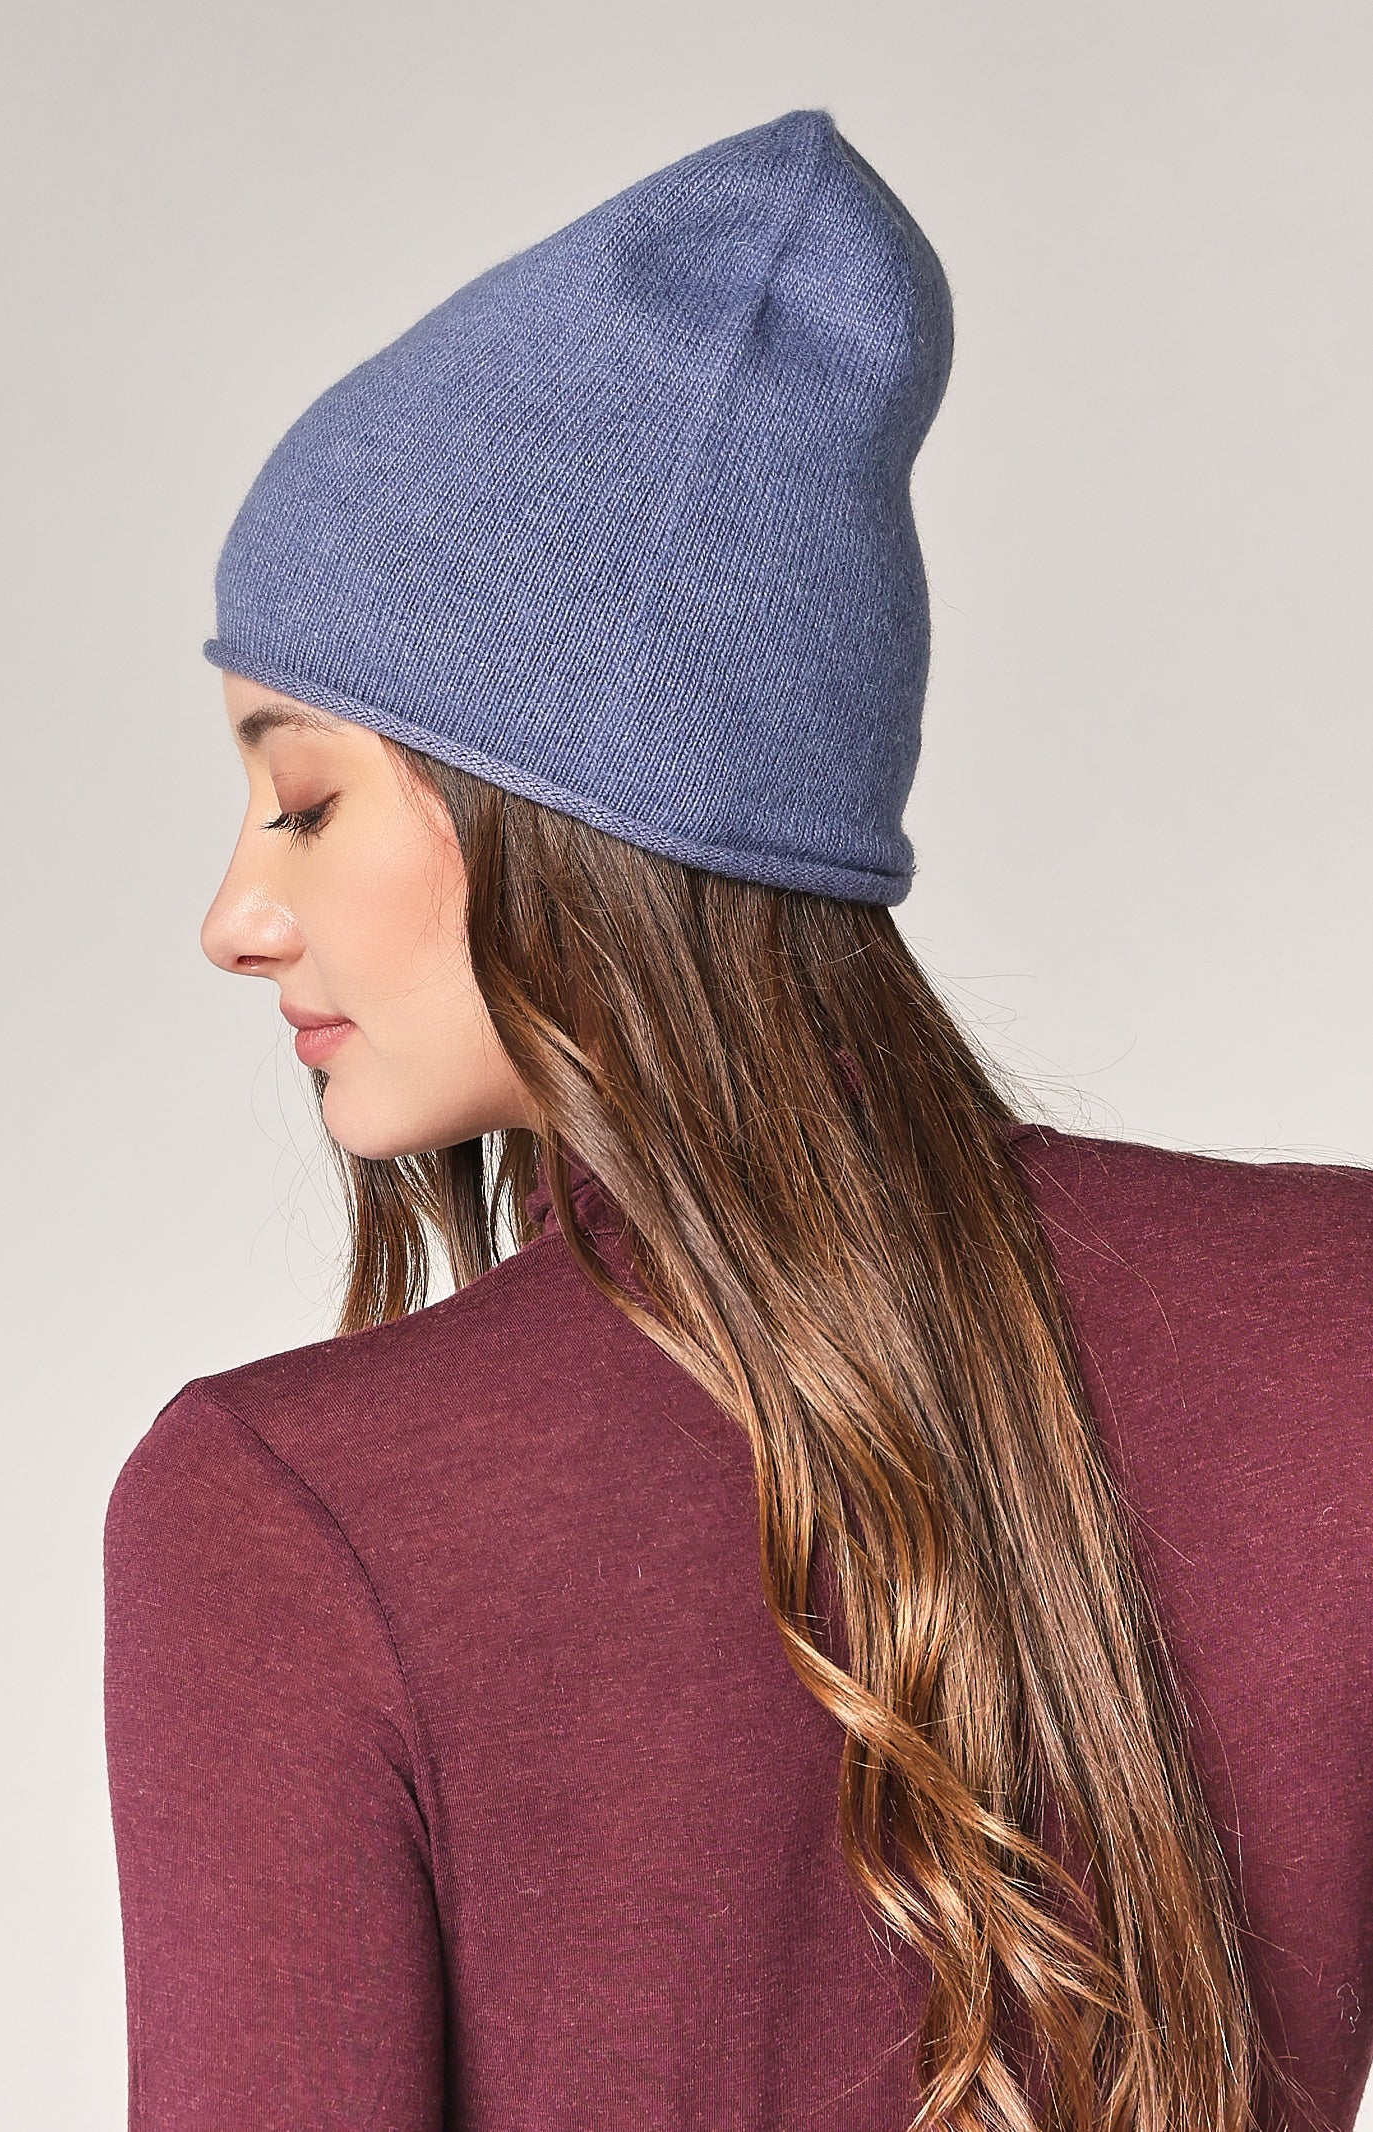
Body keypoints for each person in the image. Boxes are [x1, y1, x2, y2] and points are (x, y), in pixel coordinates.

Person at [101, 109, 1372, 2132]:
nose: (235, 914)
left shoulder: (282, 1518)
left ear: (566, 802)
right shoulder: (1339, 1324)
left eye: (306, 794)